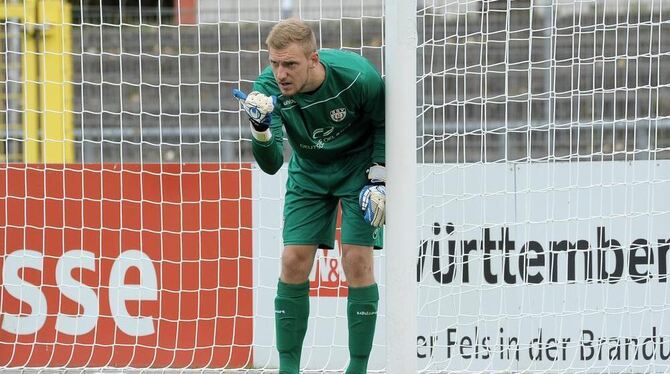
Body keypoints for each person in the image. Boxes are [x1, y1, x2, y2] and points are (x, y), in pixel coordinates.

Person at [233, 18, 386, 374]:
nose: (280, 73)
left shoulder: (358, 76)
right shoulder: (267, 89)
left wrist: (379, 178)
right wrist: (259, 128)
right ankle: (289, 369)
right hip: (310, 169)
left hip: (358, 168)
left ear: (313, 59)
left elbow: (383, 121)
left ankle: (358, 369)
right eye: (274, 63)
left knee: (357, 260)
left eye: (290, 64)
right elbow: (271, 165)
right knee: (292, 260)